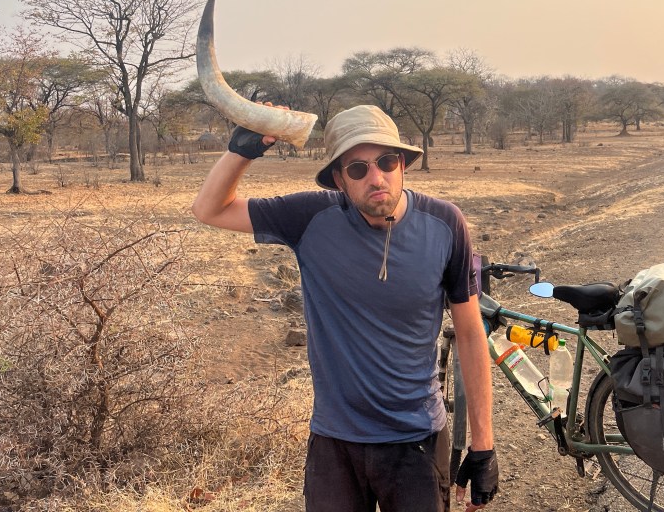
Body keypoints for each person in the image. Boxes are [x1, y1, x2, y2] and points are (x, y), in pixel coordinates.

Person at [191, 104, 498, 512]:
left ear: (403, 164)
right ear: (339, 179)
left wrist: (483, 446)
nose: (376, 177)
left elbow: (471, 334)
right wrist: (241, 150)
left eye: (387, 162)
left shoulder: (445, 224)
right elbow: (209, 209)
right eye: (357, 169)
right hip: (335, 442)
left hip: (417, 439)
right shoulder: (310, 218)